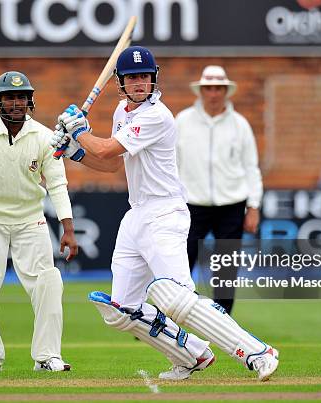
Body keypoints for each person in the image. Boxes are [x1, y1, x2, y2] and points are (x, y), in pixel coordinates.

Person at [50, 46, 279, 381]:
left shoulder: (157, 115)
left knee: (175, 298)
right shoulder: (121, 112)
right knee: (120, 311)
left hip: (165, 213)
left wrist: (79, 128)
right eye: (133, 77)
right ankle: (191, 355)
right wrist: (75, 151)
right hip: (137, 215)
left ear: (153, 79)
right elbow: (113, 163)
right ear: (122, 82)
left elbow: (107, 147)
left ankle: (257, 352)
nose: (140, 83)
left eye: (145, 77)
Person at [0, 71, 78, 373]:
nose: (16, 103)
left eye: (22, 97)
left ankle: (47, 356)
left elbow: (58, 184)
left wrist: (68, 228)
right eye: (10, 97)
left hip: (30, 218)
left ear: (30, 100)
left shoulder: (45, 137)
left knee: (48, 280)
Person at [175, 65, 263, 315]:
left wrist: (253, 206)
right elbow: (170, 164)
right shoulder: (182, 121)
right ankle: (171, 316)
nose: (213, 93)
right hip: (192, 204)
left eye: (218, 88)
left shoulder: (240, 125)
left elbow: (251, 167)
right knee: (181, 264)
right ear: (201, 91)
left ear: (226, 91)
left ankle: (222, 321)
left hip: (231, 205)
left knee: (226, 268)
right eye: (209, 88)